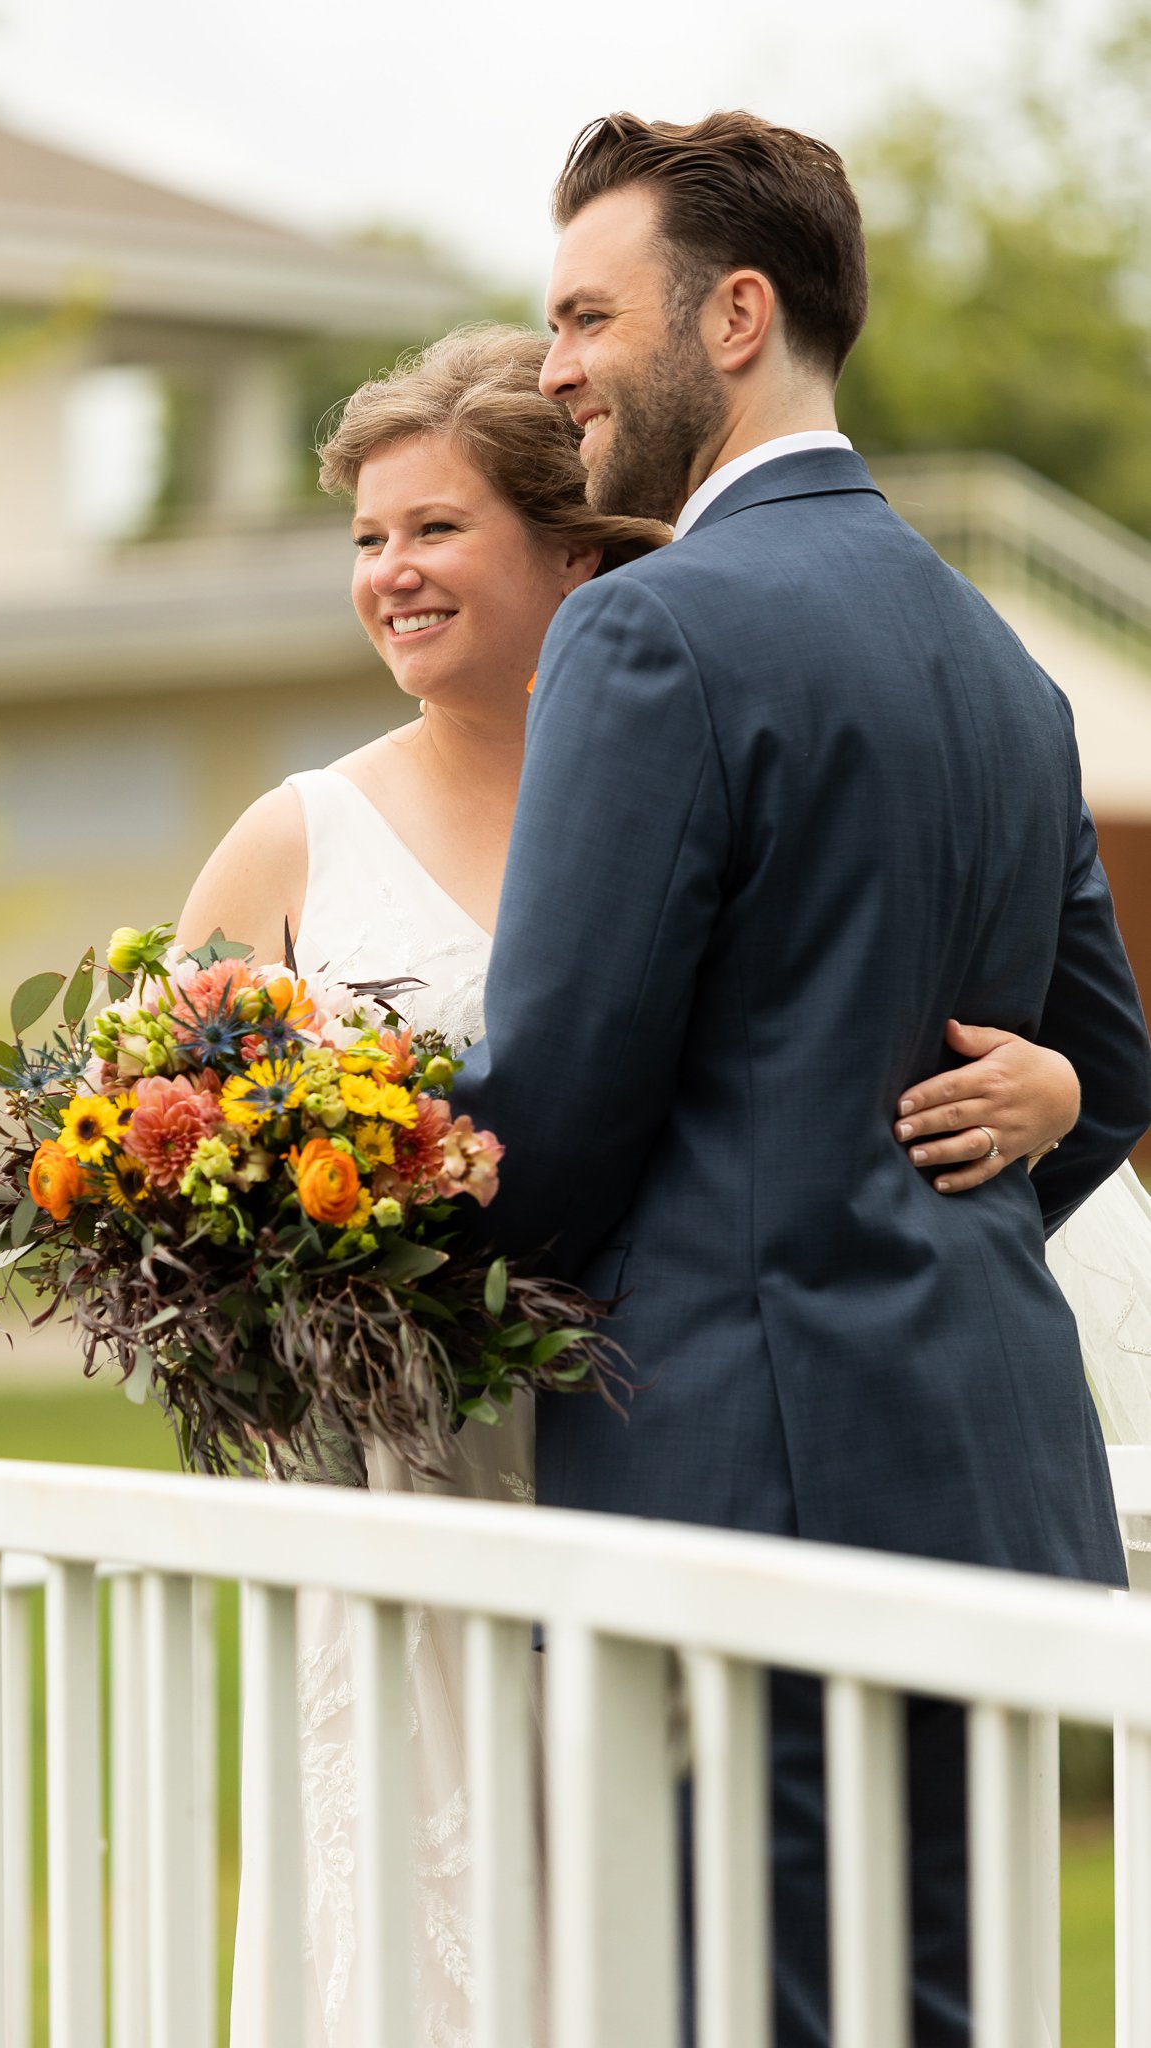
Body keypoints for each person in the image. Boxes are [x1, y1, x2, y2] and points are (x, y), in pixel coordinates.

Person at [180, 323, 1110, 2046]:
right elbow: (176, 1173)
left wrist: (1046, 1089)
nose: (391, 573)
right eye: (368, 538)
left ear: (574, 546)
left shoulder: (705, 761)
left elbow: (828, 1073)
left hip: (699, 1448)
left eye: (436, 529)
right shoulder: (290, 839)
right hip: (425, 1483)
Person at [448, 115, 1151, 2047]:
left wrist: (336, 1275)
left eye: (588, 315)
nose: (556, 365)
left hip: (746, 1506)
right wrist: (1027, 1133)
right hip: (992, 1488)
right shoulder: (999, 661)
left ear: (734, 316)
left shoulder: (648, 625)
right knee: (942, 2003)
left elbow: (560, 1099)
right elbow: (1109, 1066)